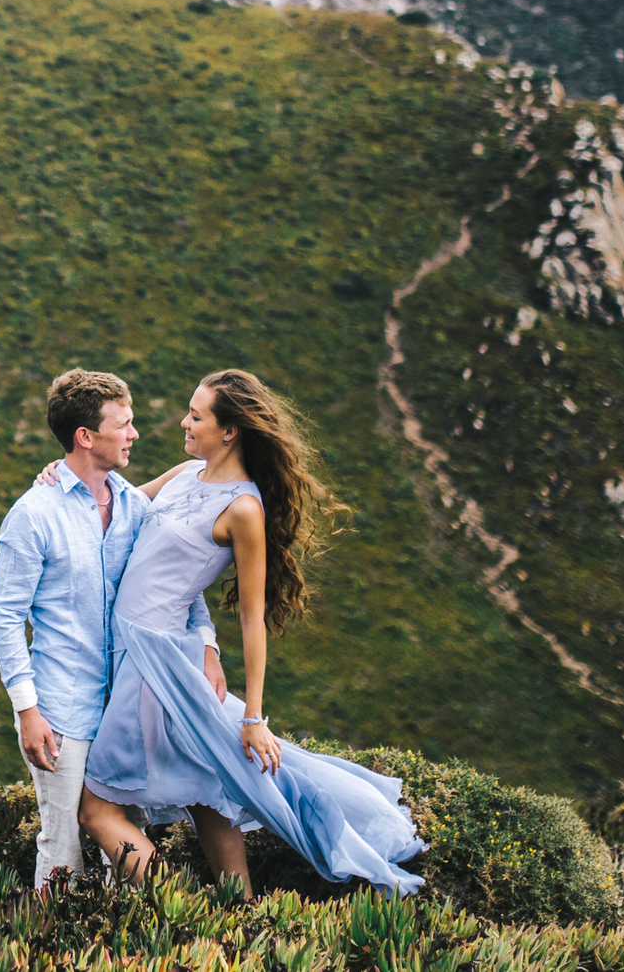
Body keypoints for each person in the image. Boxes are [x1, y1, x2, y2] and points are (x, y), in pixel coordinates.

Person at [74, 369, 425, 894]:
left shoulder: (242, 509)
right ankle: (241, 913)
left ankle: (179, 913)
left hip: (157, 663)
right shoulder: (185, 474)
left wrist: (255, 716)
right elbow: (109, 506)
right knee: (207, 786)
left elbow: (252, 617)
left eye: (196, 415)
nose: (184, 422)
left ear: (230, 430)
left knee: (96, 810)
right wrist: (59, 480)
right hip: (139, 650)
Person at [0, 368, 224, 890]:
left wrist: (208, 646)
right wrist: (27, 711)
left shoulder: (136, 507)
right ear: (85, 437)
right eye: (124, 424)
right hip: (61, 711)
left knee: (129, 833)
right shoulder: (33, 514)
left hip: (127, 704)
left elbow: (180, 587)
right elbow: (6, 618)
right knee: (63, 845)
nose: (135, 434)